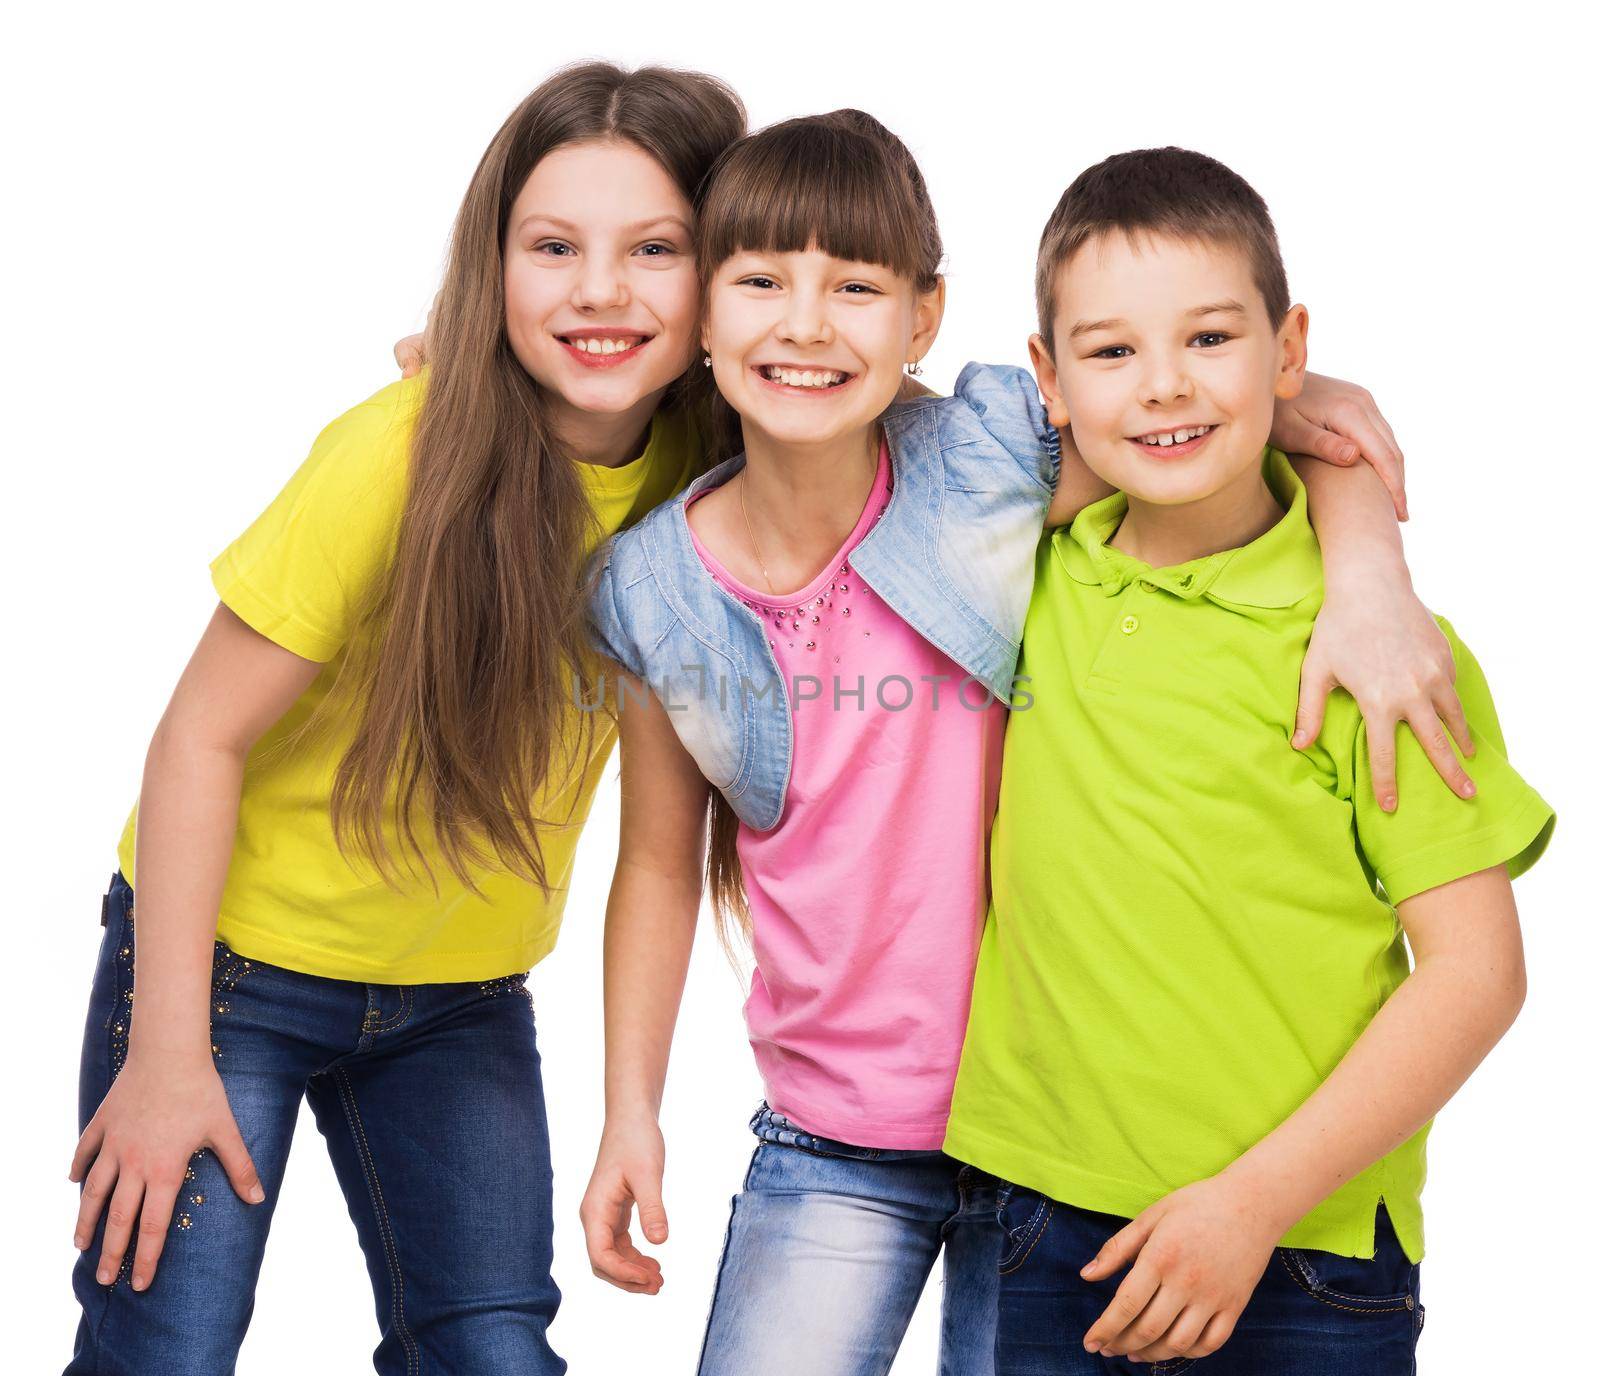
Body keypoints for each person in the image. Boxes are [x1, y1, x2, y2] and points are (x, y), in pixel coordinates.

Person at [578, 112, 1466, 1376]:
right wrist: (629, 1110)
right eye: (762, 280)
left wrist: (1364, 548)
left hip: (1046, 1143)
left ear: (926, 318)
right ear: (700, 318)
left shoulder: (982, 464)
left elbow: (1197, 413)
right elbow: (659, 866)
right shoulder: (653, 588)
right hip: (836, 1129)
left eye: (856, 285)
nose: (808, 322)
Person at [65, 62, 745, 1374]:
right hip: (230, 974)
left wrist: (1281, 433)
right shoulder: (394, 454)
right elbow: (196, 739)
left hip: (456, 999)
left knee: (493, 1349)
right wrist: (163, 1056)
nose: (600, 290)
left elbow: (888, 374)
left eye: (656, 249)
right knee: (167, 1342)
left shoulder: (708, 485)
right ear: (492, 267)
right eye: (554, 248)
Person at [943, 147, 1555, 1373]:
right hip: (1034, 1220)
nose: (1163, 385)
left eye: (1210, 339)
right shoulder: (1024, 573)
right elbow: (821, 419)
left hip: (1305, 1255)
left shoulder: (1378, 651)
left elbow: (1476, 972)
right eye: (1111, 351)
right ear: (1047, 379)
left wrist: (1252, 1200)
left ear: (1287, 350)